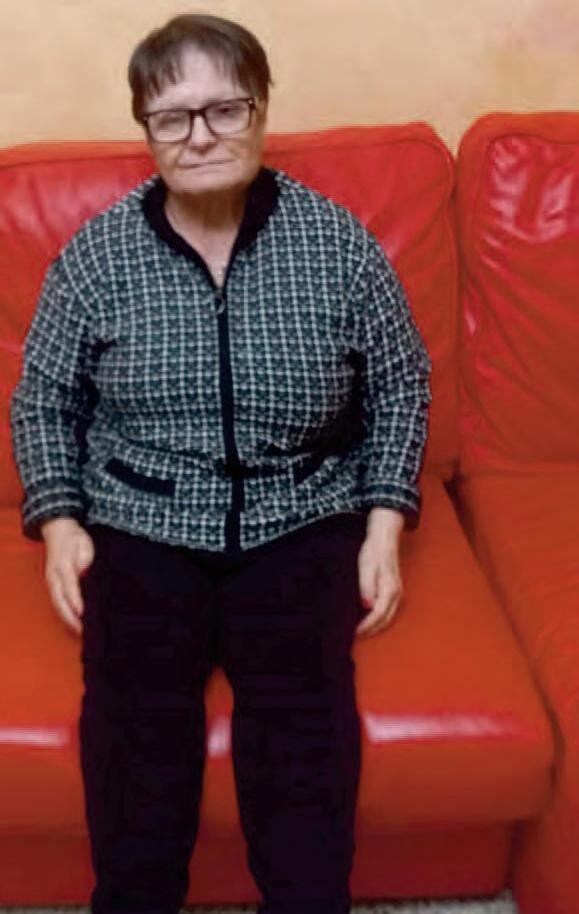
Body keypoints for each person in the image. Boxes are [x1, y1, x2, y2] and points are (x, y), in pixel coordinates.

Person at [10, 12, 433, 914]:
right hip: (140, 518)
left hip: (300, 514)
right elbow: (44, 400)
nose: (199, 135)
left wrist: (383, 525)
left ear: (261, 111)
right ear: (146, 129)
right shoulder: (96, 255)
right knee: (133, 732)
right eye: (172, 116)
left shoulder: (336, 243)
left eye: (224, 109)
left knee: (302, 732)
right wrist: (60, 521)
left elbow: (400, 383)